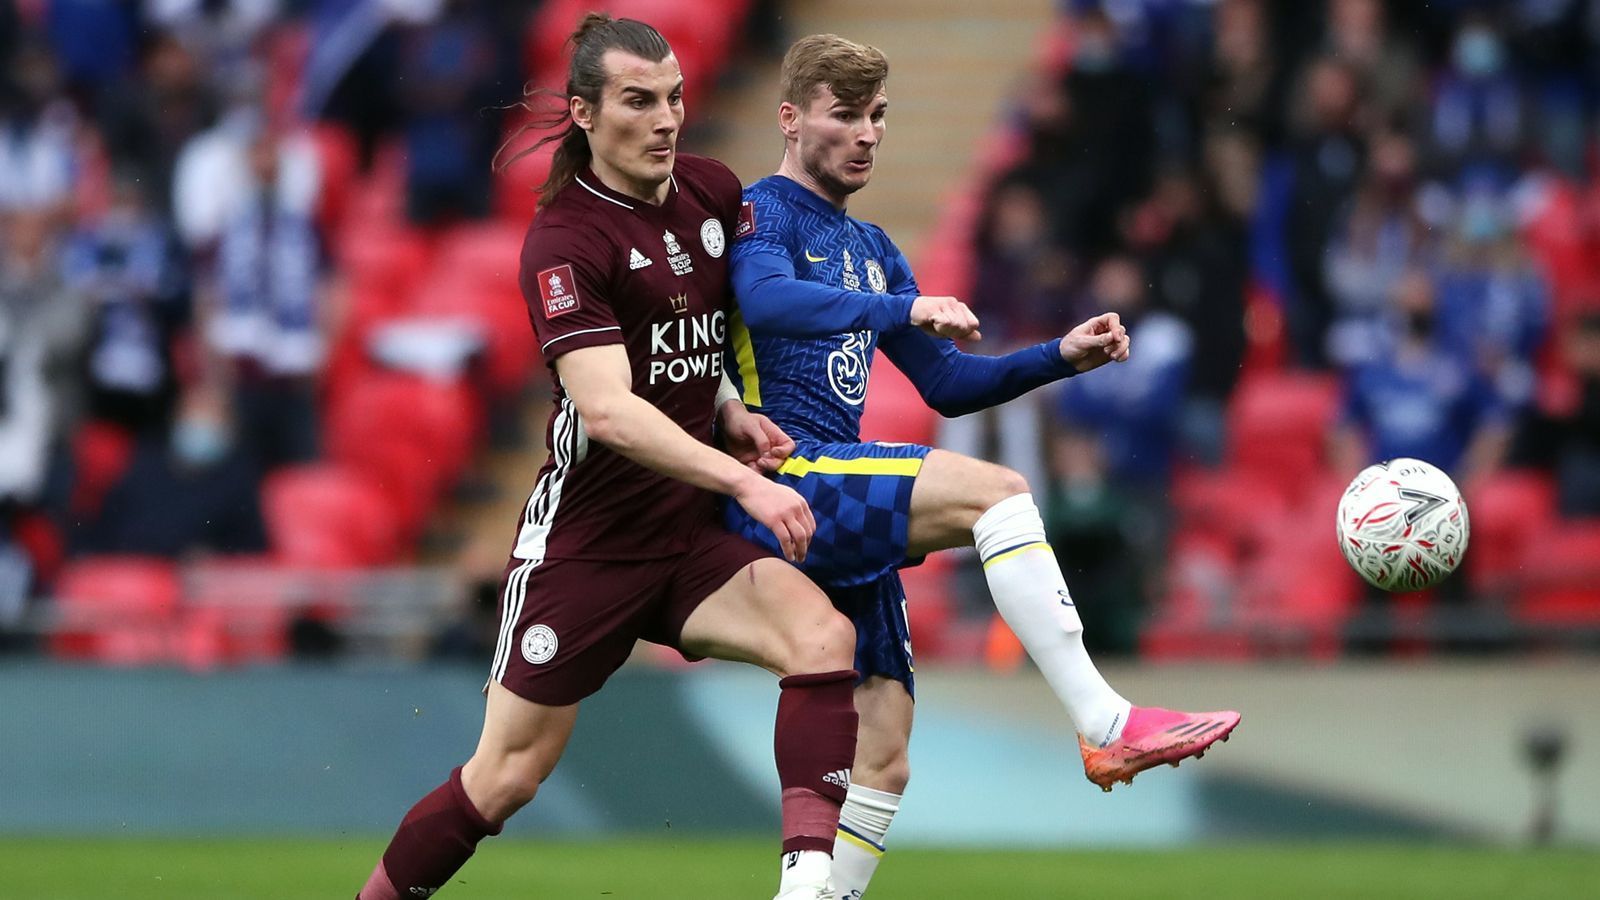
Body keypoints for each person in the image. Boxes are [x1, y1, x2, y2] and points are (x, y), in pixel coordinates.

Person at [355, 17, 860, 900]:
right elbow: (611, 410)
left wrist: (731, 410)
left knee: (822, 638)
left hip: (685, 536)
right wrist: (743, 477)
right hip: (586, 546)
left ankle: (809, 889)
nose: (666, 118)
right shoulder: (565, 241)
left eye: (673, 97)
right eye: (638, 101)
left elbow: (698, 342)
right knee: (504, 779)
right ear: (586, 113)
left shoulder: (708, 191)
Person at [726, 35, 1240, 898]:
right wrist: (903, 304)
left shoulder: (874, 247)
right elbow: (763, 299)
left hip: (838, 500)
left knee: (884, 758)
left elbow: (951, 385)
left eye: (878, 116)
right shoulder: (760, 212)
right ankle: (1103, 720)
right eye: (844, 114)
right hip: (781, 480)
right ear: (790, 118)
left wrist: (1061, 357)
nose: (866, 135)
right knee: (999, 492)